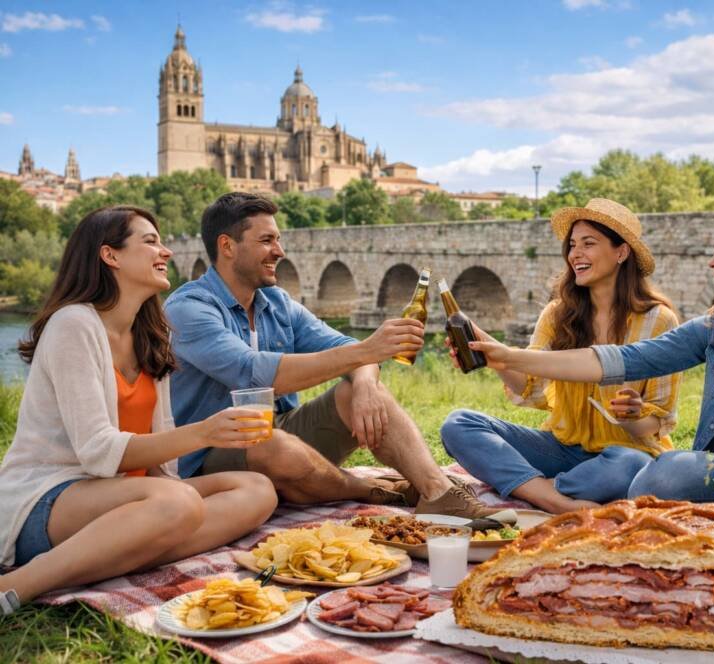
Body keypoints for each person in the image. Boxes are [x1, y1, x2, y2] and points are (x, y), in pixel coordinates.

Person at [466, 206, 714, 503]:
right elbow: (618, 360)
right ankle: (566, 491)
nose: (713, 262)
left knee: (659, 475)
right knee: (655, 476)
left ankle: (565, 489)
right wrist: (508, 357)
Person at [0, 207, 278, 615]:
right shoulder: (73, 324)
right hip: (47, 499)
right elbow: (97, 452)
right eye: (150, 241)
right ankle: (16, 585)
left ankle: (113, 552)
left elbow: (162, 468)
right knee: (179, 503)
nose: (164, 250)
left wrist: (170, 489)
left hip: (128, 500)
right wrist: (204, 433)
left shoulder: (151, 333)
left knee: (257, 490)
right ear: (110, 255)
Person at [164, 192, 497, 518]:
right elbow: (253, 372)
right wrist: (366, 350)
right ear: (227, 246)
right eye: (267, 240)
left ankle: (437, 491)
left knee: (358, 391)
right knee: (273, 444)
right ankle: (372, 489)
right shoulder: (189, 308)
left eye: (278, 239)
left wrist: (365, 382)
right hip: (211, 454)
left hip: (280, 431)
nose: (279, 251)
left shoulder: (277, 303)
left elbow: (344, 346)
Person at [440, 198, 681, 514]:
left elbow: (655, 423)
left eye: (588, 244)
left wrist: (633, 415)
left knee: (630, 465)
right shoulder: (557, 315)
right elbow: (532, 388)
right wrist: (495, 358)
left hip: (626, 451)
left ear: (621, 252)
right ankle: (553, 496)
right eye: (572, 245)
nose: (575, 254)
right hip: (561, 449)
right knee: (459, 424)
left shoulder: (659, 321)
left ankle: (535, 487)